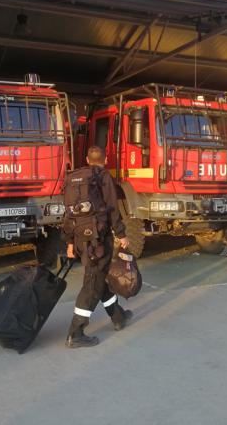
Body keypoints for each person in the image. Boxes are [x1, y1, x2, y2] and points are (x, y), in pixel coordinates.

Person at [63, 145, 132, 348]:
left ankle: (117, 317)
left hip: (80, 239)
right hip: (99, 240)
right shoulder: (103, 177)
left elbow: (68, 215)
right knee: (92, 284)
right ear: (106, 159)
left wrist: (69, 242)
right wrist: (122, 234)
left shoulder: (73, 178)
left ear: (86, 158)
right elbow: (112, 208)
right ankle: (75, 333)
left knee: (99, 276)